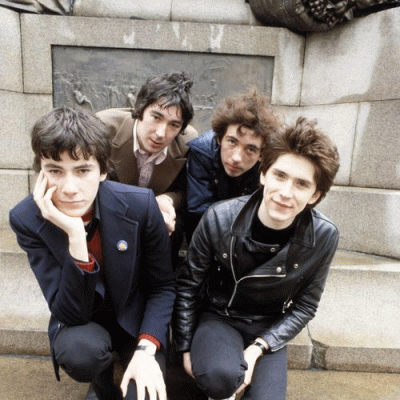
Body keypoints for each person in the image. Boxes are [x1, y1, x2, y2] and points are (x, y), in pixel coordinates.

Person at [9, 107, 176, 400]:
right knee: (81, 354)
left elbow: (163, 287)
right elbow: (69, 313)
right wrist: (76, 238)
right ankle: (101, 385)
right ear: (41, 172)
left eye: (83, 170)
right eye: (55, 171)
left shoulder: (140, 205)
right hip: (83, 323)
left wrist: (146, 348)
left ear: (103, 171)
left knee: (144, 395)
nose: (69, 188)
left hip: (134, 319)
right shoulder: (27, 219)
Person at [173, 117, 340, 400]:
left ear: (315, 195)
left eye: (301, 184)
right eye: (280, 176)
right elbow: (189, 285)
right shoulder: (219, 217)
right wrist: (185, 347)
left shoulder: (324, 235)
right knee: (220, 378)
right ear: (263, 174)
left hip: (268, 325)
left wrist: (259, 348)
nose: (285, 193)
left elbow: (306, 306)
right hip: (219, 315)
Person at [96, 72, 197, 264]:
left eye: (174, 125)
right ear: (140, 108)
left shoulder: (188, 142)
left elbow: (186, 190)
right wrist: (147, 207)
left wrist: (166, 200)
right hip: (109, 218)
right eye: (156, 117)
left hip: (158, 230)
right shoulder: (102, 128)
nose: (161, 133)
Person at [185, 89, 281, 242]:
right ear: (219, 138)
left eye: (250, 149)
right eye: (232, 142)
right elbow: (198, 211)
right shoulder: (202, 153)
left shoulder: (269, 166)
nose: (236, 158)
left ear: (261, 155)